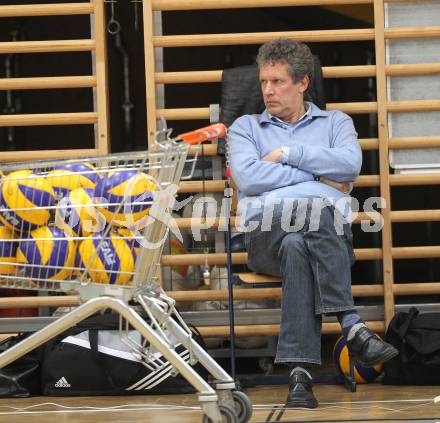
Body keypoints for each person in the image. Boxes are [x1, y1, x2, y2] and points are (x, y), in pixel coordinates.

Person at [229, 38, 398, 408]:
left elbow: (350, 167)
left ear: (303, 82)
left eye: (278, 82)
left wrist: (288, 155)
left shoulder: (336, 122)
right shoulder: (246, 127)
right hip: (265, 237)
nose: (268, 91)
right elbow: (248, 178)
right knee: (316, 211)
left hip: (319, 239)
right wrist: (317, 181)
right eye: (263, 82)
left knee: (298, 244)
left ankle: (300, 378)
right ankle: (351, 325)